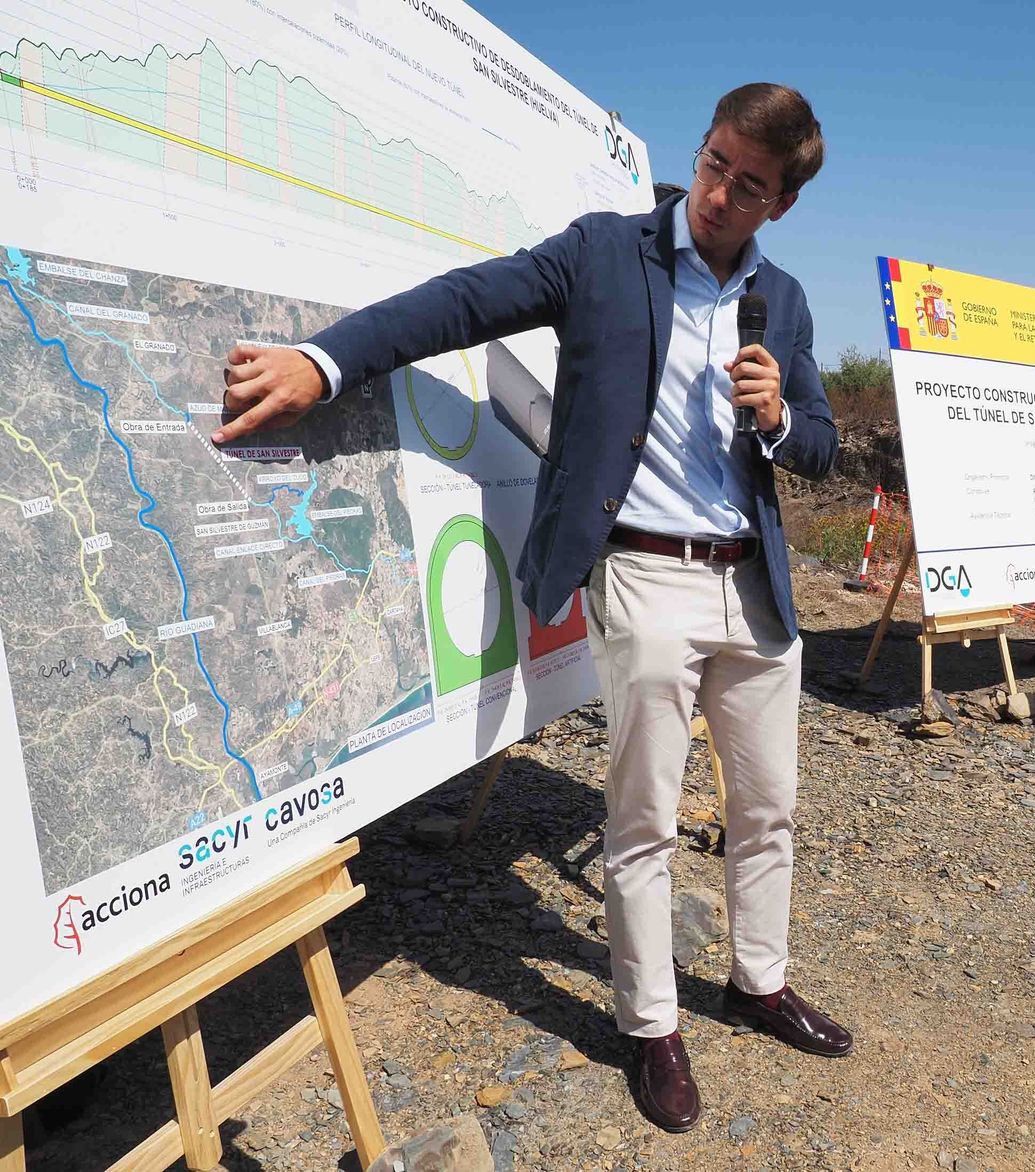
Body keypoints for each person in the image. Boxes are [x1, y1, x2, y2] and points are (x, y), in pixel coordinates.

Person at [210, 83, 851, 1133]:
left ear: (781, 203)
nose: (720, 194)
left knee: (767, 804)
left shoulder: (782, 300)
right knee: (642, 815)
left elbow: (822, 443)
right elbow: (460, 302)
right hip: (645, 575)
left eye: (750, 185)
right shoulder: (604, 253)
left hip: (753, 581)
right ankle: (651, 1026)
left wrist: (782, 417)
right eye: (715, 164)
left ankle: (758, 978)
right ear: (704, 152)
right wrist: (324, 361)